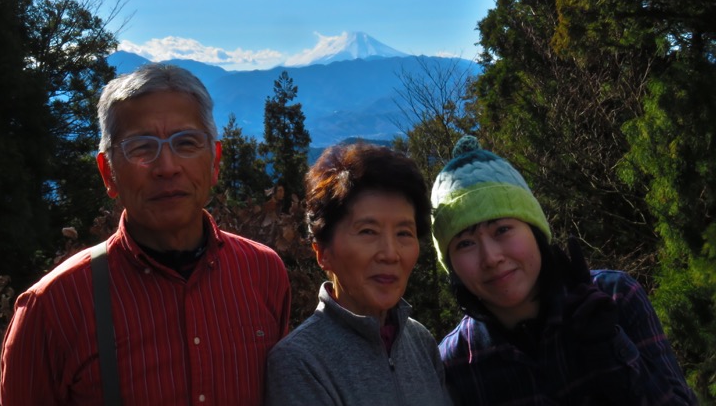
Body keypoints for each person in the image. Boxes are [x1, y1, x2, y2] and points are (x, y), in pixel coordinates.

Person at [0, 63, 291, 405]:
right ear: (108, 172)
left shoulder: (263, 273)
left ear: (214, 162)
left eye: (186, 143)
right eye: (141, 148)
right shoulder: (53, 308)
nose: (167, 167)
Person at [430, 135, 697, 405]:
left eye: (502, 230)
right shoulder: (455, 362)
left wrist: (611, 348)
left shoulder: (615, 297)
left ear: (535, 231)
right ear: (451, 265)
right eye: (465, 243)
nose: (491, 257)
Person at [265, 143, 451, 406]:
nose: (390, 253)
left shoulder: (421, 342)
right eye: (368, 232)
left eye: (404, 233)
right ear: (322, 252)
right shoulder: (301, 362)